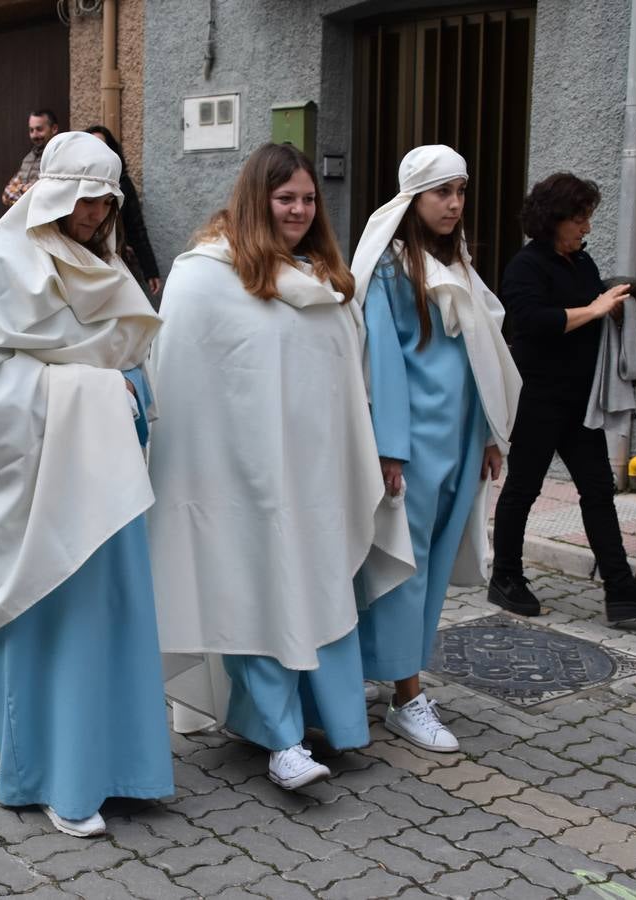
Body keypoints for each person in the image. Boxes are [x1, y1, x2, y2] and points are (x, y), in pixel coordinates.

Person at [148, 143, 414, 791]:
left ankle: (329, 722)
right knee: (254, 595)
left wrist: (374, 449)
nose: (298, 209)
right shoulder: (205, 275)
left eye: (307, 199)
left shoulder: (328, 277)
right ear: (256, 199)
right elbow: (179, 381)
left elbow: (352, 381)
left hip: (318, 479)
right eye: (284, 197)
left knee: (321, 588)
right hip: (239, 481)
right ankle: (279, 738)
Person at [0, 131, 171, 838]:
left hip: (106, 466)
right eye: (82, 196)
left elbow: (128, 349)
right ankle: (56, 777)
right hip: (42, 476)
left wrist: (128, 391)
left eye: (105, 199)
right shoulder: (8, 262)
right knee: (61, 617)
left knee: (115, 614)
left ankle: (122, 769)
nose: (93, 211)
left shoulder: (100, 261)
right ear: (52, 192)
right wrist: (97, 390)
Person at [349, 146, 522, 752]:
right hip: (411, 450)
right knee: (402, 569)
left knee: (430, 572)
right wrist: (390, 448)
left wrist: (488, 437)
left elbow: (478, 361)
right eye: (440, 193)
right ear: (412, 200)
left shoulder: (461, 268)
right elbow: (384, 364)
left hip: (457, 443)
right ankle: (405, 696)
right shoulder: (392, 271)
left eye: (460, 192)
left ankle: (395, 675)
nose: (453, 204)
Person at [489, 172, 636, 623]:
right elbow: (533, 321)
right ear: (554, 219)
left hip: (580, 400)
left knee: (597, 489)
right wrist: (594, 308)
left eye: (588, 218)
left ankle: (620, 588)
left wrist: (615, 307)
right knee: (523, 488)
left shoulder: (583, 265)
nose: (586, 228)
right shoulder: (526, 266)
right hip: (537, 397)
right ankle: (506, 577)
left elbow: (590, 318)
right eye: (579, 219)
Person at [86, 125, 162, 300]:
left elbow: (136, 228)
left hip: (114, 263)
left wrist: (150, 270)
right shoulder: (74, 186)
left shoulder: (123, 184)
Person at [1, 109, 60, 207]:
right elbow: (6, 194)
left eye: (39, 129)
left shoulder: (59, 155)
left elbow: (51, 194)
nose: (34, 135)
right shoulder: (28, 158)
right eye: (31, 130)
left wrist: (20, 191)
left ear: (54, 129)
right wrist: (24, 191)